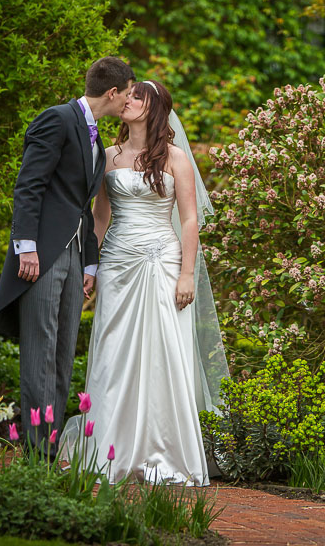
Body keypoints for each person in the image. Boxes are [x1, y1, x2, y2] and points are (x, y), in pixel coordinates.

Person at [60, 79, 228, 485]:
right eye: (129, 95)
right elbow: (100, 217)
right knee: (112, 352)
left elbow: (190, 219)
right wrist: (89, 266)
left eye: (138, 97)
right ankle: (107, 449)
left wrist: (186, 273)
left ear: (154, 109)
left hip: (162, 264)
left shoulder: (176, 159)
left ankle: (161, 450)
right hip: (117, 264)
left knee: (160, 354)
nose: (128, 100)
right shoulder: (109, 156)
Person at [0, 57, 136, 454]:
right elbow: (29, 185)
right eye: (127, 94)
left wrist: (89, 262)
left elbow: (82, 205)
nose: (128, 101)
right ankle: (38, 454)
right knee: (40, 352)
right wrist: (26, 247)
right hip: (41, 255)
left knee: (62, 353)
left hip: (74, 256)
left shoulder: (95, 137)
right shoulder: (56, 119)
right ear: (112, 93)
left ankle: (50, 448)